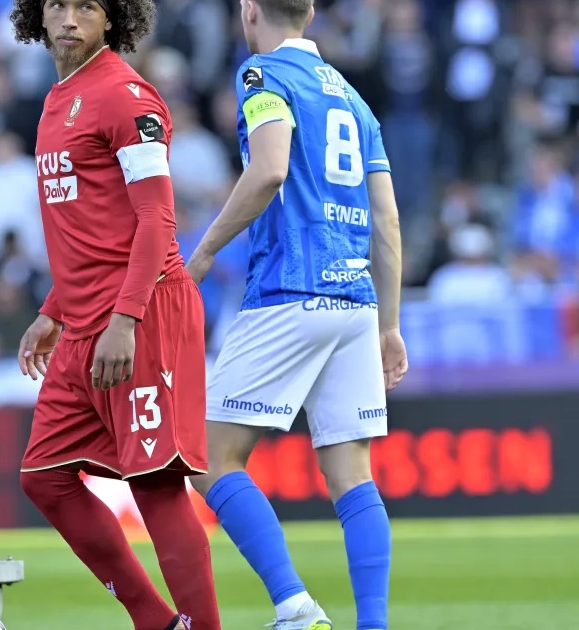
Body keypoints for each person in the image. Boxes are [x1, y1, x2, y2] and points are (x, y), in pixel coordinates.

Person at [183, 1, 409, 629]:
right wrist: (390, 324)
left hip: (290, 288)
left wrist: (203, 252)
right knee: (353, 478)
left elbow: (269, 170)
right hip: (356, 299)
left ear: (249, 10)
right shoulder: (355, 101)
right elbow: (388, 220)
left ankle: (294, 605)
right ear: (308, 13)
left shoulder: (263, 74)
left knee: (205, 456)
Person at [10, 1, 220, 629]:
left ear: (112, 20)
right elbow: (90, 225)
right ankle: (157, 621)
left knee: (155, 482)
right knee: (44, 476)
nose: (69, 19)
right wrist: (54, 309)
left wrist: (126, 319)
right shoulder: (57, 99)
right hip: (82, 319)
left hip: (140, 312)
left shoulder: (127, 97)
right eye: (57, 5)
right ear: (38, 16)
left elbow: (157, 218)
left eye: (87, 6)